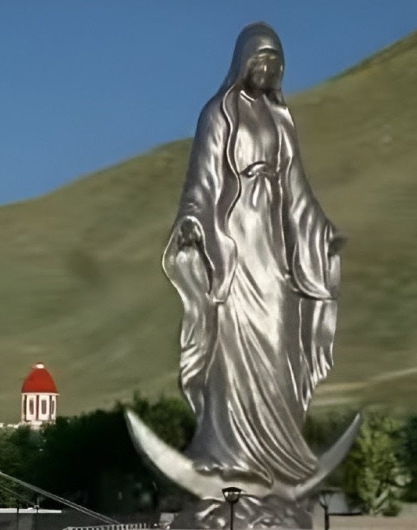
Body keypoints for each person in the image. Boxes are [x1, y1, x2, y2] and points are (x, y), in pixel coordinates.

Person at [162, 22, 346, 489]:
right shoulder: (219, 113)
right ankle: (227, 452)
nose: (267, 69)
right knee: (233, 341)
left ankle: (276, 454)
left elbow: (297, 189)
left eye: (275, 63)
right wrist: (192, 223)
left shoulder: (282, 119)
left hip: (275, 244)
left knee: (278, 337)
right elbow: (201, 183)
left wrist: (320, 235)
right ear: (243, 62)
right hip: (233, 242)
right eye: (260, 61)